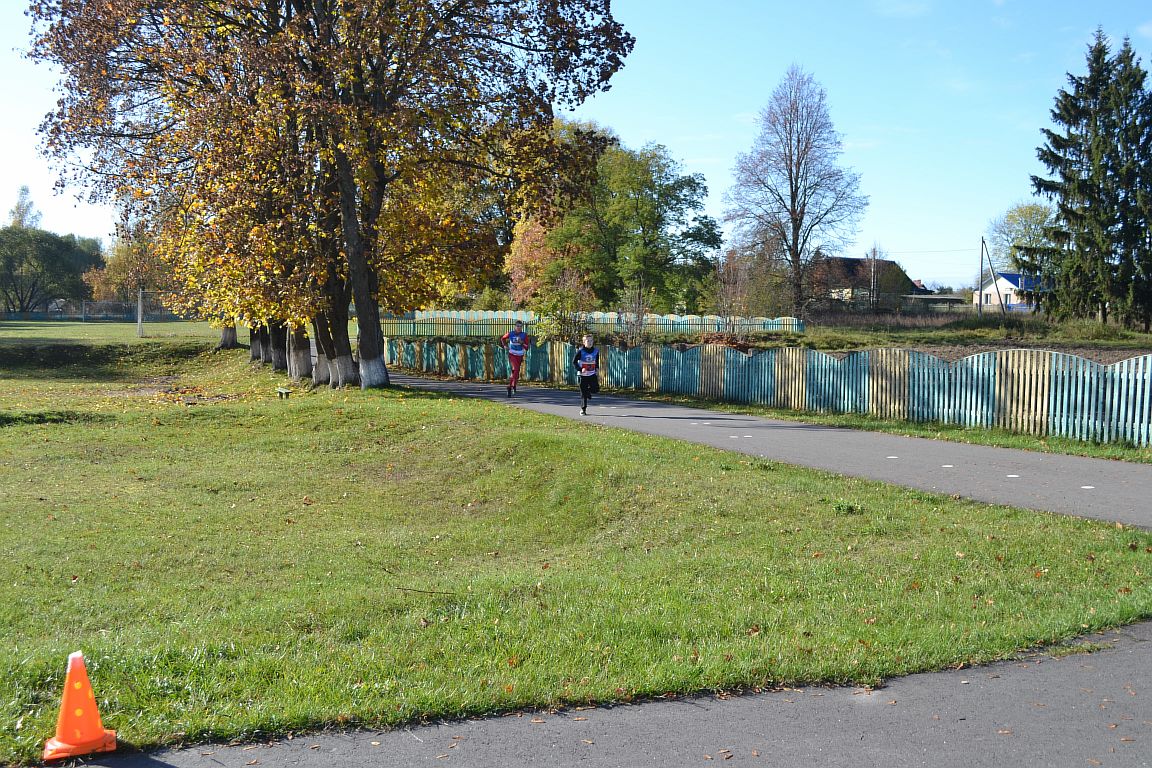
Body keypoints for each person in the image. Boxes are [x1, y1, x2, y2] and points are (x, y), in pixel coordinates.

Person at [499, 319, 532, 397]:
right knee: (515, 369)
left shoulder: (524, 335)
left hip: (520, 355)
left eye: (520, 326)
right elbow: (502, 338)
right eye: (517, 326)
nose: (519, 328)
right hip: (512, 354)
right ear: (515, 327)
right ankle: (509, 387)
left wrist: (521, 342)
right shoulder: (511, 333)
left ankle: (514, 385)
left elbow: (527, 347)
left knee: (516, 372)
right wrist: (505, 345)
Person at [572, 333, 600, 415]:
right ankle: (583, 409)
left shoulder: (596, 351)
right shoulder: (580, 351)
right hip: (583, 375)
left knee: (596, 389)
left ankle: (587, 392)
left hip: (592, 374)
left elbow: (596, 361)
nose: (590, 342)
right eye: (588, 341)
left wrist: (597, 368)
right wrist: (580, 369)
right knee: (583, 394)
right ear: (584, 342)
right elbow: (574, 362)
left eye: (591, 341)